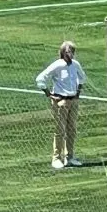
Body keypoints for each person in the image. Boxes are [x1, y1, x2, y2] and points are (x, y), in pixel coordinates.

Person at [35, 41, 86, 169]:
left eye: (73, 51)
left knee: (72, 129)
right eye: (69, 51)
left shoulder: (75, 64)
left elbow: (82, 77)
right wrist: (48, 94)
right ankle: (56, 158)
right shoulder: (57, 65)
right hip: (60, 101)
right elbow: (40, 79)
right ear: (63, 52)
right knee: (60, 130)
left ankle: (70, 157)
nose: (71, 54)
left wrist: (78, 91)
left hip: (73, 100)